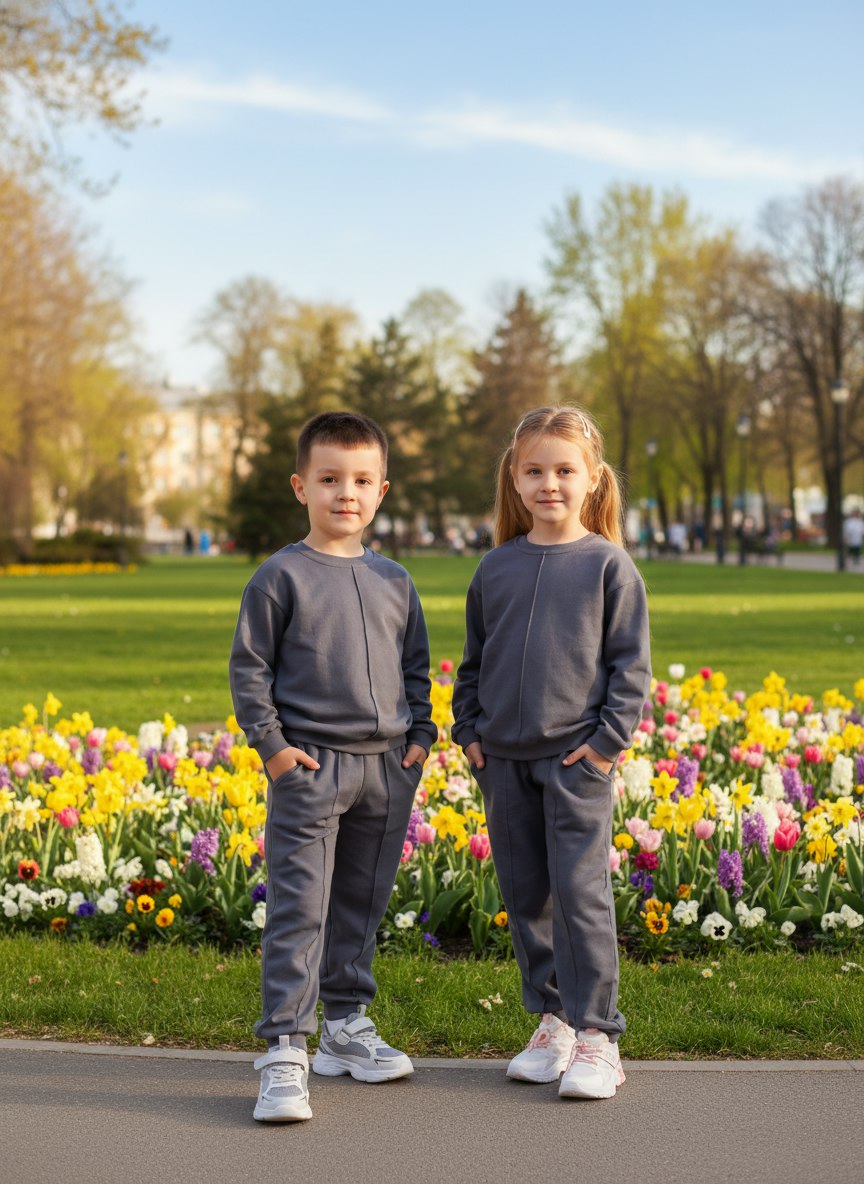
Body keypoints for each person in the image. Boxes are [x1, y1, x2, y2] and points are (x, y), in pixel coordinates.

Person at [229, 411, 437, 1123]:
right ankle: (285, 1050)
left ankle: (345, 1028)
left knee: (360, 903)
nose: (344, 493)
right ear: (300, 486)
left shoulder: (395, 579)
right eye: (328, 479)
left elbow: (417, 665)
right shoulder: (279, 576)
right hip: (310, 769)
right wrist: (275, 748)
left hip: (387, 768)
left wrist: (420, 737)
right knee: (299, 911)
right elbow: (249, 669)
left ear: (382, 489)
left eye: (359, 480)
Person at [452, 405, 651, 1101]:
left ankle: (599, 1035)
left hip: (575, 765)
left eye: (565, 471)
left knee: (580, 895)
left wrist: (602, 749)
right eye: (534, 470)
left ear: (593, 480)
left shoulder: (608, 566)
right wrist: (468, 732)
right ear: (514, 475)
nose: (549, 484)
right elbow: (473, 662)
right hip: (503, 763)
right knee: (526, 895)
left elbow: (631, 670)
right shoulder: (496, 566)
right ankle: (554, 1020)